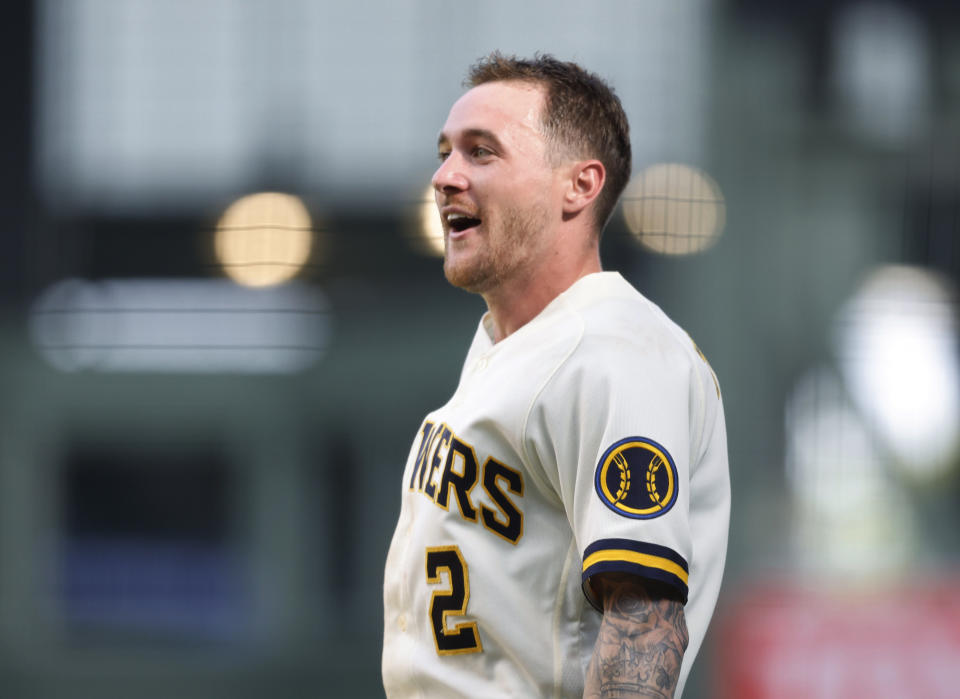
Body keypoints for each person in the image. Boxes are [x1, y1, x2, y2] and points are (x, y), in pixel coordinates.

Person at [382, 52, 730, 698]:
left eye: (481, 152)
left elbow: (643, 622)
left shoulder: (621, 350)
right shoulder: (508, 347)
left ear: (579, 185)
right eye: (445, 152)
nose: (445, 176)